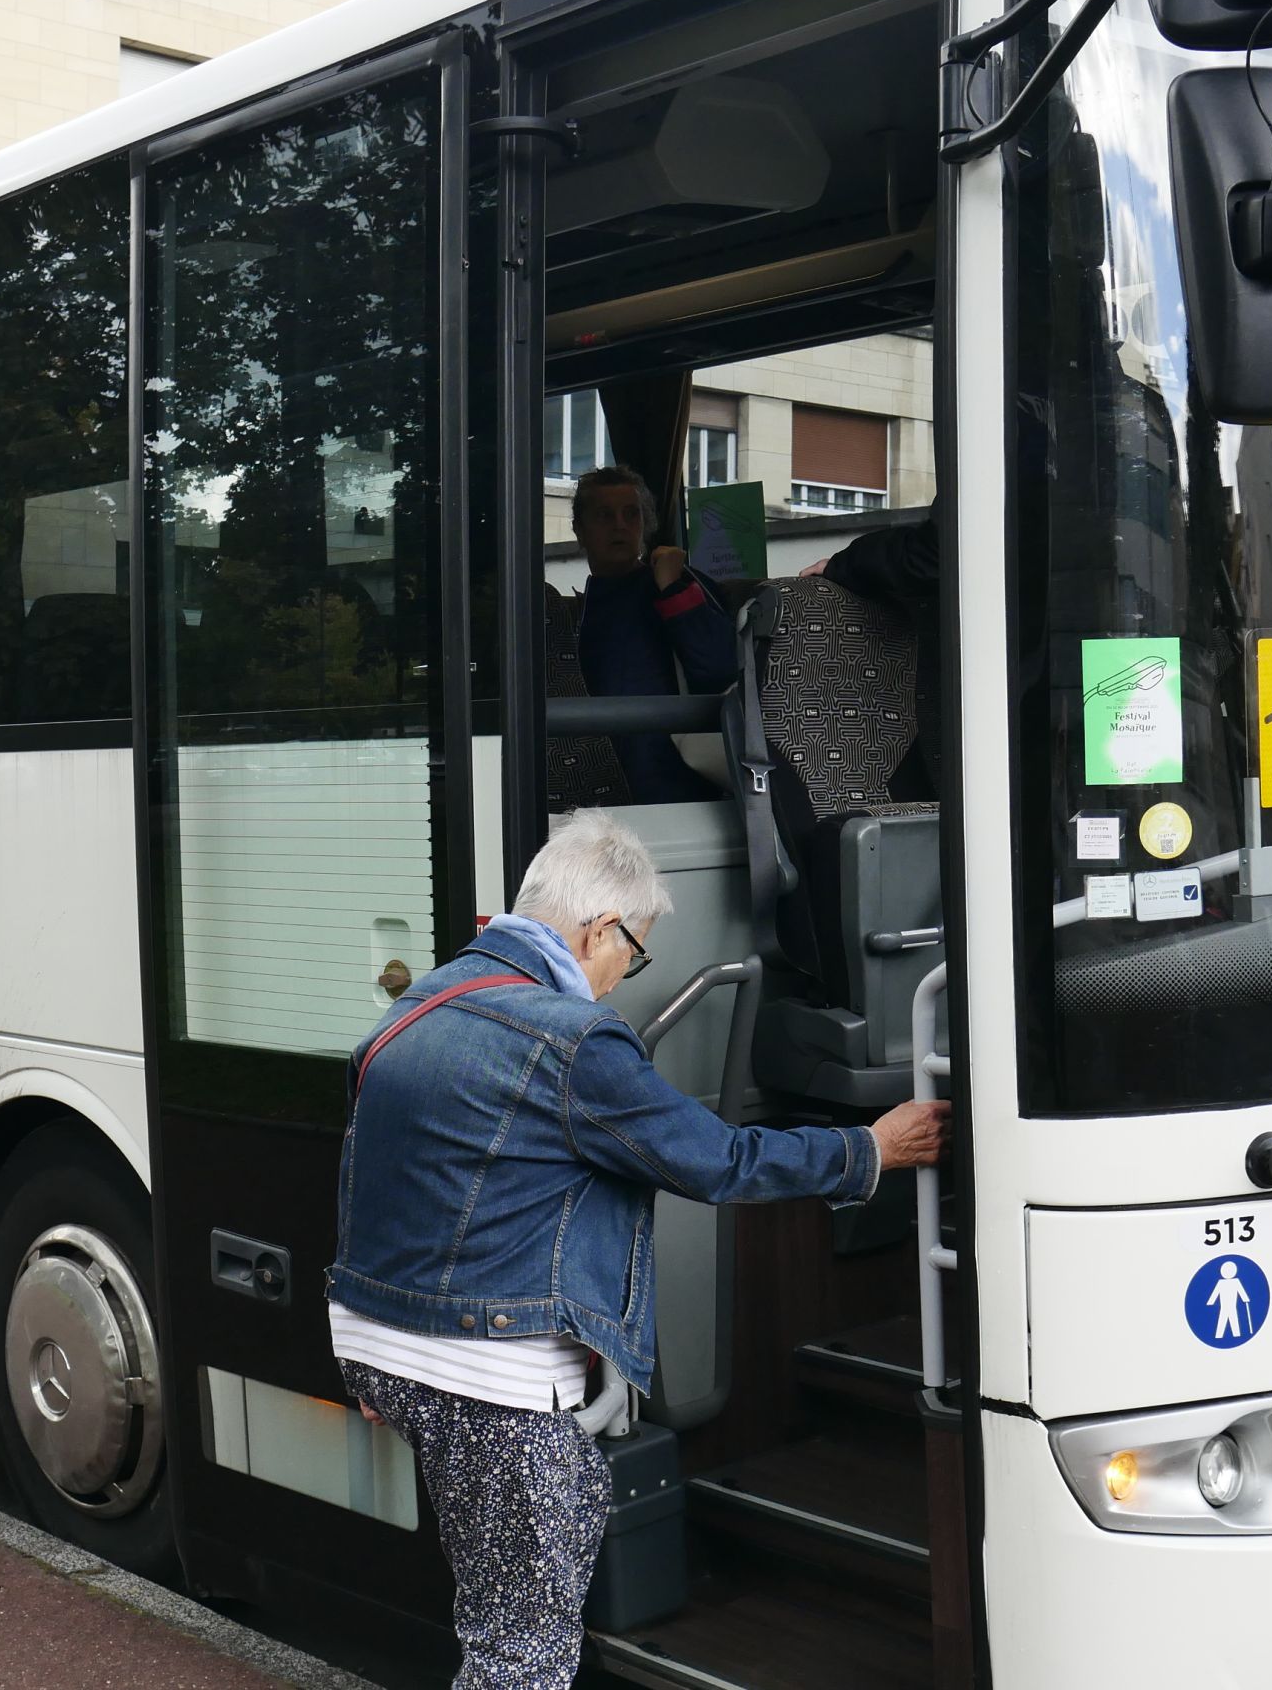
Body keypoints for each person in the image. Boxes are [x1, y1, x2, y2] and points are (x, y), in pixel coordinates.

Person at [326, 810, 948, 1688]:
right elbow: (717, 1161)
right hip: (485, 1368)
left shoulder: (415, 1008)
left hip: (376, 1336)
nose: (623, 977)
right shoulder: (577, 1041)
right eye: (635, 950)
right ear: (596, 929)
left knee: (511, 1586)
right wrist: (870, 1150)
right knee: (522, 1655)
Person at [570, 464, 736, 803]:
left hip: (679, 789)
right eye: (604, 515)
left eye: (631, 515)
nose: (620, 525)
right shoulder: (572, 613)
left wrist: (672, 588)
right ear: (580, 530)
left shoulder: (679, 584)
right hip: (599, 790)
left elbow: (724, 668)